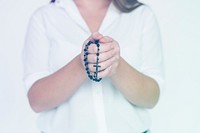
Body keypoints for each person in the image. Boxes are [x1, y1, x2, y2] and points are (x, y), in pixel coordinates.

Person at [23, 0, 164, 133]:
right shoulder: (44, 17)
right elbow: (37, 100)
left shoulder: (141, 14)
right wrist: (82, 63)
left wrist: (115, 64)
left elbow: (152, 97)